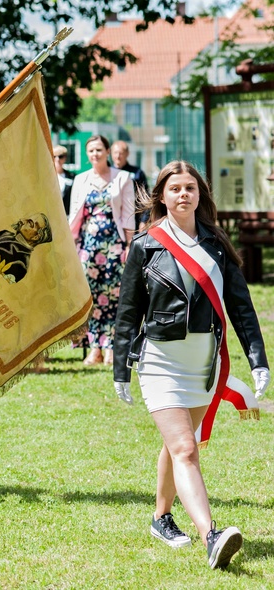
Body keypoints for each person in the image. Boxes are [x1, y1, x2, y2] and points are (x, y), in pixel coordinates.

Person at [112, 160, 269, 569]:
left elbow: (241, 307)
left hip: (204, 364)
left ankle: (160, 517)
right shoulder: (146, 245)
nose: (184, 194)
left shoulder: (216, 243)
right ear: (162, 196)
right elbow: (128, 312)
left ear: (200, 195)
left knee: (177, 444)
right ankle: (212, 536)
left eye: (191, 188)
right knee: (185, 447)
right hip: (160, 363)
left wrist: (257, 360)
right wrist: (119, 369)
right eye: (175, 188)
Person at [68, 134, 135, 366]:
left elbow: (128, 215)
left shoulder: (123, 178)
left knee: (114, 296)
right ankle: (94, 348)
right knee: (92, 298)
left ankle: (112, 348)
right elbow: (74, 215)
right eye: (91, 151)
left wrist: (129, 245)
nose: (95, 154)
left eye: (99, 150)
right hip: (88, 245)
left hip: (114, 245)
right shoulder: (81, 179)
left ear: (108, 151)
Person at [0, 214, 53, 284]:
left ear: (35, 237)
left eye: (30, 223)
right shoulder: (4, 233)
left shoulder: (21, 265)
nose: (22, 220)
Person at [111, 140, 150, 229]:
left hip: (133, 219)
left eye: (121, 153)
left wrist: (144, 221)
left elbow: (145, 198)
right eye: (115, 153)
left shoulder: (137, 173)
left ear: (127, 154)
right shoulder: (108, 174)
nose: (118, 156)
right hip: (113, 221)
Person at [53, 145, 75, 215]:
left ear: (65, 158)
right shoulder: (45, 177)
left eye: (60, 156)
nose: (57, 159)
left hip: (67, 215)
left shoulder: (72, 177)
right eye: (54, 156)